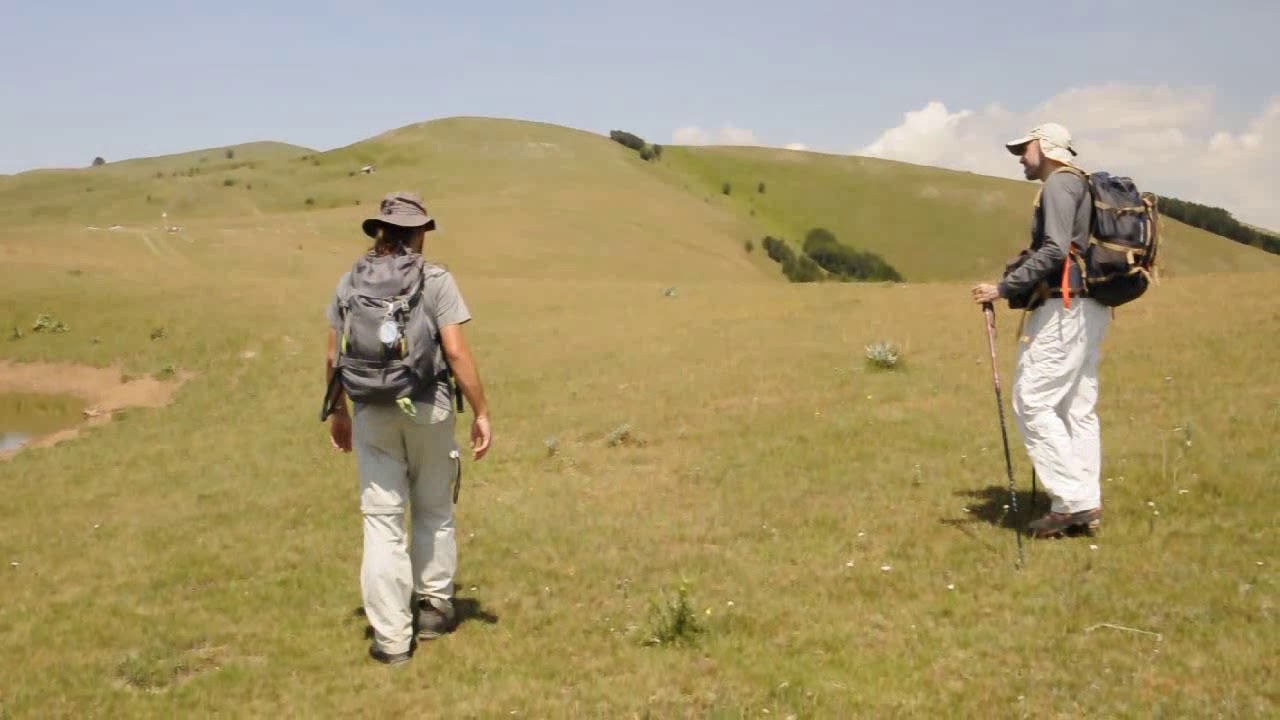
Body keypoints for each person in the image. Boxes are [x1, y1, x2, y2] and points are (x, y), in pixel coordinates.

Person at [325, 191, 492, 665]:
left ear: (379, 230)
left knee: (382, 523)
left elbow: (332, 355)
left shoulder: (349, 282)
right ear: (419, 232)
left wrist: (338, 411)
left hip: (371, 411)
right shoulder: (436, 280)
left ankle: (392, 641)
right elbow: (456, 351)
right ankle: (434, 608)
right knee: (434, 508)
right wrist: (481, 410)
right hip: (429, 406)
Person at [970, 123, 1107, 540]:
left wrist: (1003, 287)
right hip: (1089, 306)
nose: (1019, 157)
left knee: (1031, 401)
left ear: (1046, 148)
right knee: (1076, 408)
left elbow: (1054, 249)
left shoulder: (1059, 186)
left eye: (1024, 149)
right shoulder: (1080, 184)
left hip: (1064, 306)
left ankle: (1072, 501)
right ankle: (1085, 503)